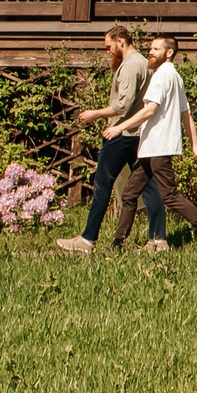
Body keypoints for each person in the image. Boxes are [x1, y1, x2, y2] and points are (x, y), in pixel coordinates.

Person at [105, 35, 197, 252]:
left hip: (158, 146)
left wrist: (119, 127)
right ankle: (117, 244)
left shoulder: (161, 76)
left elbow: (150, 110)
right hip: (152, 148)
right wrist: (194, 145)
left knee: (168, 194)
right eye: (150, 48)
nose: (150, 52)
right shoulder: (175, 76)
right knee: (130, 194)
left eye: (156, 49)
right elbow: (186, 114)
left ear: (169, 53)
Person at [56, 24, 163, 254]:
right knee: (149, 186)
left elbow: (122, 105)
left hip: (120, 134)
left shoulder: (129, 66)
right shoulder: (145, 64)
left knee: (102, 185)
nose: (108, 51)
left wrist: (95, 114)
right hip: (137, 134)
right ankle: (158, 238)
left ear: (120, 41)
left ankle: (87, 239)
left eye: (109, 46)